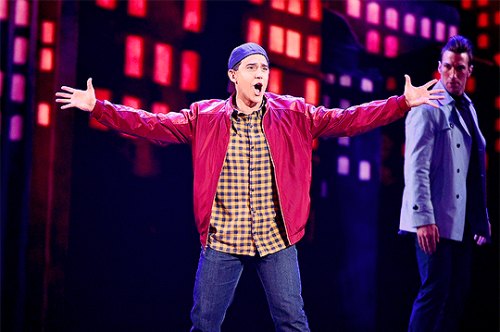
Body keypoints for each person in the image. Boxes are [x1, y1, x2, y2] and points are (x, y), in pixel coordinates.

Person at [57, 42, 443, 332]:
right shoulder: (204, 117)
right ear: (233, 76)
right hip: (223, 239)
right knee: (205, 324)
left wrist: (400, 104)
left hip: (275, 239)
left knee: (292, 322)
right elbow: (152, 124)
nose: (261, 74)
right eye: (252, 67)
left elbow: (348, 119)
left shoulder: (294, 113)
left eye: (265, 68)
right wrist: (100, 108)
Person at [399, 35, 491, 332]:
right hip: (434, 220)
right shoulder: (428, 105)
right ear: (440, 67)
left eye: (460, 69)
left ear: (469, 71)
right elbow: (416, 166)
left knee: (456, 296)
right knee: (434, 292)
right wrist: (423, 219)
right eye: (448, 67)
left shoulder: (468, 106)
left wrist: (480, 219)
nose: (453, 75)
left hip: (460, 222)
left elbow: (473, 167)